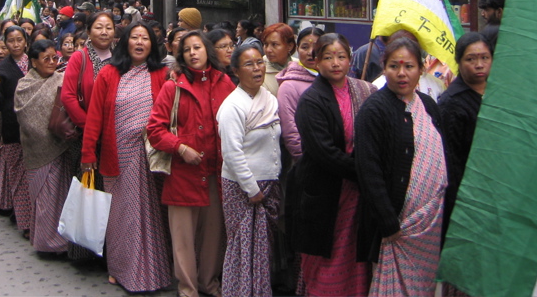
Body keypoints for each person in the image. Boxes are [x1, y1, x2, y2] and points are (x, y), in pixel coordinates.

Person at [81, 22, 172, 292]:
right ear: (126, 42)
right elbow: (95, 117)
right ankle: (122, 271)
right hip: (118, 156)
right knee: (125, 217)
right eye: (135, 37)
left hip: (153, 158)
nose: (140, 42)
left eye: (146, 38)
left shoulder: (162, 74)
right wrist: (88, 154)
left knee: (156, 216)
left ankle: (156, 272)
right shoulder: (109, 74)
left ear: (153, 44)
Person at [355, 36, 448, 296]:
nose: (402, 74)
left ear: (421, 68)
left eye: (409, 66)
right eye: (394, 66)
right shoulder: (374, 110)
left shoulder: (428, 106)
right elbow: (368, 169)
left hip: (429, 226)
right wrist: (388, 221)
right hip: (395, 229)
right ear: (384, 69)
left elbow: (442, 155)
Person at [147, 31, 235, 297]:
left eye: (198, 47)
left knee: (213, 235)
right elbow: (154, 129)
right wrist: (180, 147)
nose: (193, 53)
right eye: (187, 50)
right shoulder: (173, 86)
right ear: (181, 55)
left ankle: (209, 283)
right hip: (183, 174)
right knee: (183, 238)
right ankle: (187, 288)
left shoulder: (225, 83)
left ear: (207, 50)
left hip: (216, 172)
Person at [288, 33, 376, 296]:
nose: (335, 63)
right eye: (328, 57)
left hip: (356, 195)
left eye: (341, 57)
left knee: (354, 260)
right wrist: (364, 171)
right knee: (326, 262)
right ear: (316, 62)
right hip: (325, 193)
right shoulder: (312, 100)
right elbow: (323, 152)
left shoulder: (363, 91)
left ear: (350, 60)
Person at [217, 44, 282, 297]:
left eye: (259, 63)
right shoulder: (233, 106)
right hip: (244, 187)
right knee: (242, 246)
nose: (257, 69)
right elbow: (232, 154)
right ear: (235, 70)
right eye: (249, 64)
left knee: (262, 248)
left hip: (269, 182)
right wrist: (251, 188)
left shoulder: (269, 99)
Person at [14, 39, 75, 257]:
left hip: (63, 148)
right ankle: (46, 243)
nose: (51, 63)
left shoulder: (63, 79)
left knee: (63, 195)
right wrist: (48, 133)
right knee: (45, 199)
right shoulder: (24, 85)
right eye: (46, 59)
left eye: (54, 58)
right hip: (38, 151)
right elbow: (28, 119)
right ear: (33, 62)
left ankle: (64, 241)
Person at [438, 32, 493, 239]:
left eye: (484, 58)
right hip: (467, 194)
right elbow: (451, 161)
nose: (479, 64)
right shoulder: (452, 103)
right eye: (471, 59)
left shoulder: (499, 94)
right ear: (459, 62)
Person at [0, 25, 33, 236]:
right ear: (5, 44)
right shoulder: (1, 69)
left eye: (19, 40)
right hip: (13, 129)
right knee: (18, 178)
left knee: (35, 177)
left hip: (37, 131)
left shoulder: (36, 61)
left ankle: (38, 221)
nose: (16, 44)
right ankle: (25, 223)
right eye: (11, 40)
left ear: (25, 41)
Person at [276, 27, 325, 163]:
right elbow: (291, 131)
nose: (311, 53)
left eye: (317, 47)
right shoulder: (289, 86)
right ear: (297, 49)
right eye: (305, 47)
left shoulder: (331, 79)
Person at [60, 12, 115, 133]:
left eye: (109, 28)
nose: (104, 32)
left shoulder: (120, 58)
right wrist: (91, 128)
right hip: (85, 131)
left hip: (115, 131)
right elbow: (68, 96)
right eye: (99, 27)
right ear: (89, 32)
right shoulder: (79, 57)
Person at [261, 23, 296, 96]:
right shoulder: (259, 69)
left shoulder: (299, 66)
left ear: (290, 46)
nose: (268, 50)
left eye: (274, 44)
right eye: (266, 44)